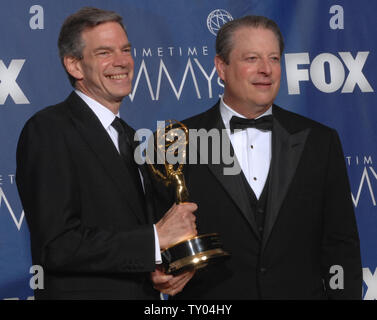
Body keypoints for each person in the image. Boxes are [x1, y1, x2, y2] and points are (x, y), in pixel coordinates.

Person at [153, 15, 362, 299]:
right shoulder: (175, 142)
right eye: (251, 58)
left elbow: (341, 245)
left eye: (274, 59)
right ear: (221, 67)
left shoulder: (319, 141)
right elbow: (154, 240)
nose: (266, 69)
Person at [15, 7, 197, 300]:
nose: (122, 61)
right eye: (104, 53)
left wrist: (163, 264)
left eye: (125, 49)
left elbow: (128, 231)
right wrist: (154, 239)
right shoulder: (49, 130)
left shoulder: (130, 137)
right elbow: (58, 245)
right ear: (75, 66)